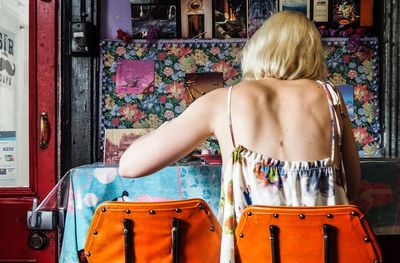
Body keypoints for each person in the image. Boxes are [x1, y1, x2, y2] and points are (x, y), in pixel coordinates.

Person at [119, 10, 361, 262]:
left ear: (259, 49)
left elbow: (129, 166)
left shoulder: (223, 101)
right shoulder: (331, 97)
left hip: (254, 254)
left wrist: (170, 125)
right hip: (324, 252)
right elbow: (351, 187)